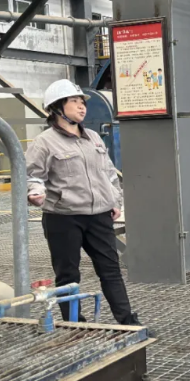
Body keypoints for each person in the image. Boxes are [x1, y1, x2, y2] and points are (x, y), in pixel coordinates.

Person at [26, 79, 147, 329]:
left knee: (110, 270)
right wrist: (35, 192)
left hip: (99, 216)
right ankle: (74, 325)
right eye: (75, 101)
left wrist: (114, 200)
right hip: (63, 217)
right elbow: (33, 175)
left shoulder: (92, 138)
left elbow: (109, 173)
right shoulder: (44, 142)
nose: (82, 107)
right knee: (68, 275)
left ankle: (127, 321)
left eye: (83, 102)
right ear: (57, 107)